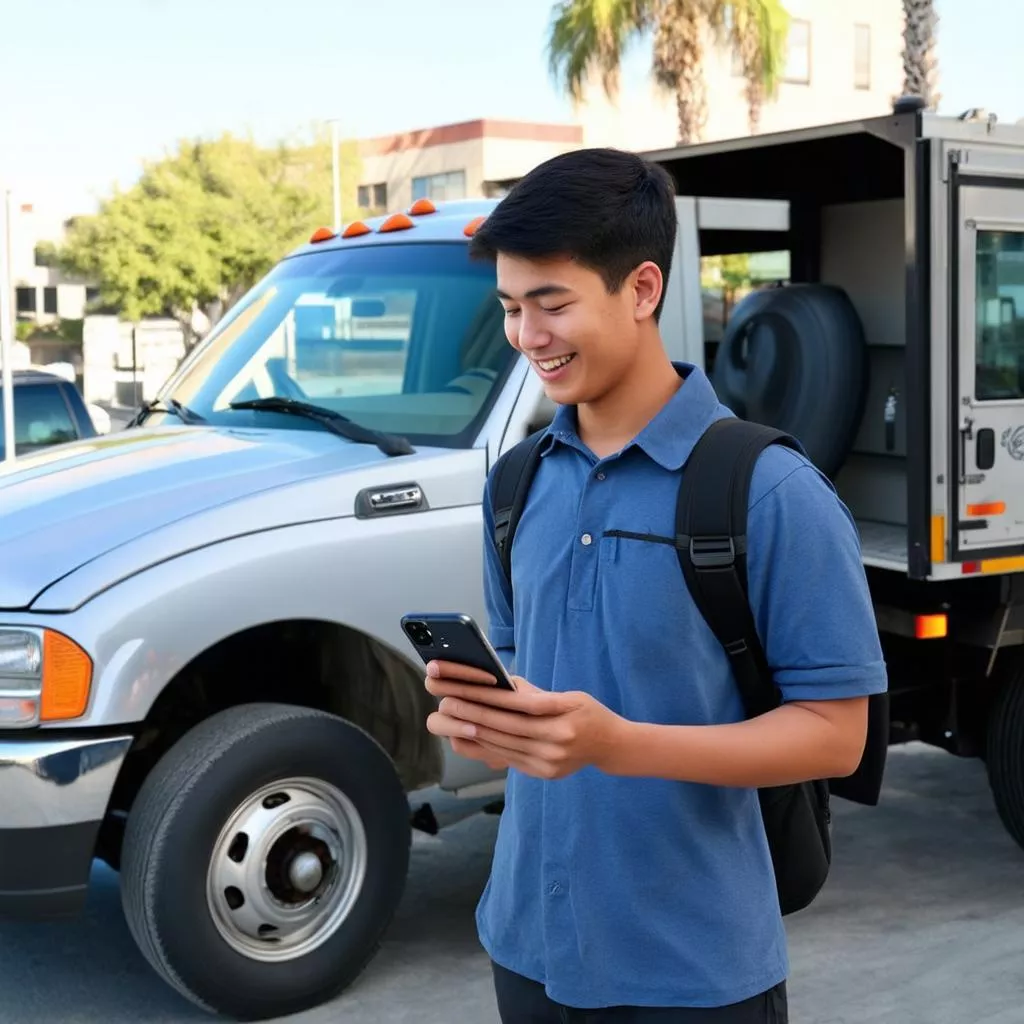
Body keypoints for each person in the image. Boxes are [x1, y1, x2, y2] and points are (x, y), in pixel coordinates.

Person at [424, 148, 888, 1023]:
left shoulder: (772, 491)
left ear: (641, 290)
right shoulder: (516, 483)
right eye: (512, 308)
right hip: (526, 944)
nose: (527, 337)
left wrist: (614, 744)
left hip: (695, 971)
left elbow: (836, 738)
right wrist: (487, 720)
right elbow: (526, 684)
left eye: (553, 303)